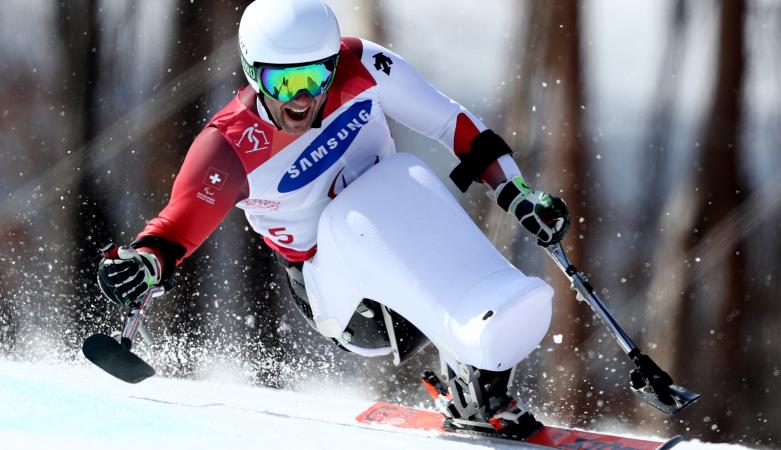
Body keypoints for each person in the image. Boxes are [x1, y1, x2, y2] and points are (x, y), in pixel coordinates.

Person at [97, 0, 569, 439]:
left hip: (402, 249)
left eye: (316, 77)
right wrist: (141, 263)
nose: (302, 99)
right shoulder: (229, 147)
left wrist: (515, 191)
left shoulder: (360, 65)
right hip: (344, 303)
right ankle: (467, 354)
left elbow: (450, 121)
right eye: (284, 83)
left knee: (406, 177)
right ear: (253, 75)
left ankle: (479, 371)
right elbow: (174, 229)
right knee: (365, 201)